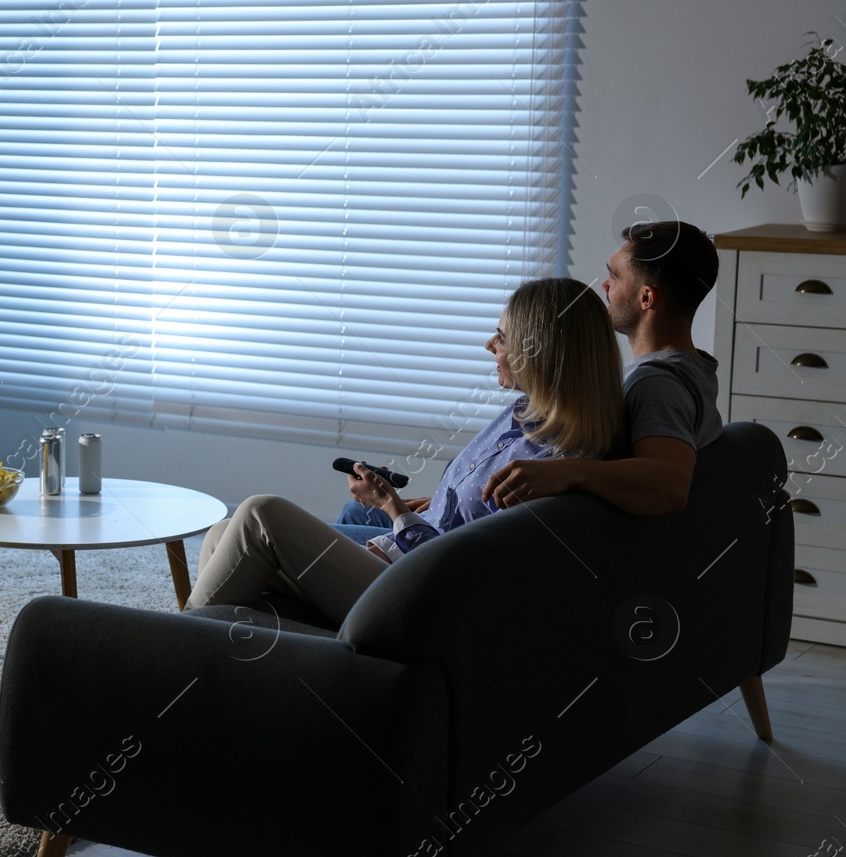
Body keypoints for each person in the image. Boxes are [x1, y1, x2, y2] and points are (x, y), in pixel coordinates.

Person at [186, 277, 622, 625]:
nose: (489, 346)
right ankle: (220, 656)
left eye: (502, 337)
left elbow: (464, 567)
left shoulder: (549, 467)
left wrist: (393, 511)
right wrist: (413, 516)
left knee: (261, 514)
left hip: (424, 594)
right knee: (224, 535)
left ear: (539, 353)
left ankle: (179, 646)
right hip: (406, 558)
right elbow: (470, 518)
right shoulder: (523, 414)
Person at [483, 220, 722, 514]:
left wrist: (566, 471)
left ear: (646, 298)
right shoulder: (695, 369)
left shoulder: (656, 386)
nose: (604, 286)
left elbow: (669, 486)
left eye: (615, 276)